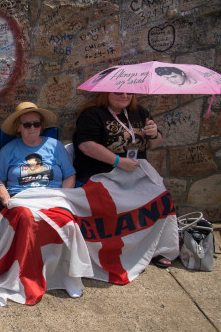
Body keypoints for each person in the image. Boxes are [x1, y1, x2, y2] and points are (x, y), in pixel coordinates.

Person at [72, 92, 169, 267]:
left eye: (128, 92)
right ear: (106, 93)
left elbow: (154, 144)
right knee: (113, 204)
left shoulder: (140, 112)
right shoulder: (93, 114)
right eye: (118, 92)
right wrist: (118, 162)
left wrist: (154, 134)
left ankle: (156, 248)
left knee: (161, 198)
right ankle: (117, 252)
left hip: (135, 173)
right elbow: (86, 145)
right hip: (101, 173)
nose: (124, 95)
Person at [0, 102, 76, 208]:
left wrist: (62, 197)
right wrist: (3, 194)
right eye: (27, 125)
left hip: (52, 199)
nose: (32, 128)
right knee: (26, 218)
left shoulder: (55, 146)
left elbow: (69, 175)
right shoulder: (8, 150)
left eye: (36, 124)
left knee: (60, 220)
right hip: (21, 200)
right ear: (18, 127)